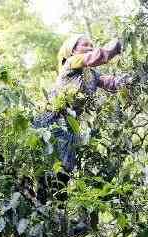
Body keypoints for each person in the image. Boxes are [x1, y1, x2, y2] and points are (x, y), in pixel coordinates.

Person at [33, 35, 132, 204]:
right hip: (50, 119)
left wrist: (130, 80)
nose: (89, 47)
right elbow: (97, 57)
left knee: (65, 168)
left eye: (91, 45)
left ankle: (57, 215)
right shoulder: (71, 63)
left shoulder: (91, 74)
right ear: (72, 50)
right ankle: (40, 208)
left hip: (69, 123)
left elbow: (110, 82)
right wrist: (117, 44)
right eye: (85, 44)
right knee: (48, 165)